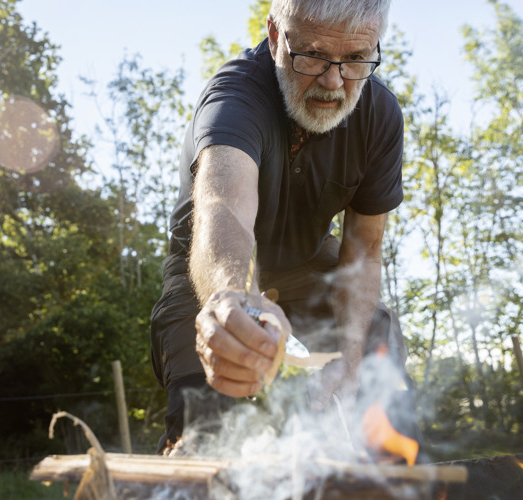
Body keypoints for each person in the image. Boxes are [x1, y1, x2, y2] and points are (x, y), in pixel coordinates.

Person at [149, 0, 409, 453]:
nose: (333, 82)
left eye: (354, 59)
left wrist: (348, 361)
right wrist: (231, 301)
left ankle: (387, 467)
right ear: (274, 36)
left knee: (374, 342)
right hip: (210, 268)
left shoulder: (381, 116)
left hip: (309, 263)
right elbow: (222, 207)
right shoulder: (234, 98)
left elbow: (364, 250)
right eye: (311, 54)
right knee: (208, 419)